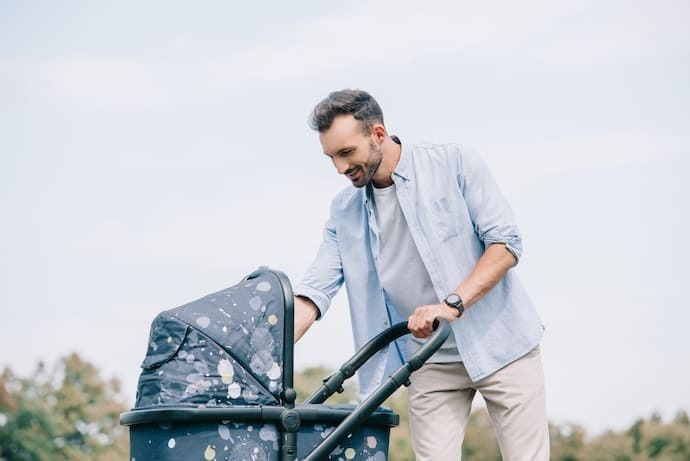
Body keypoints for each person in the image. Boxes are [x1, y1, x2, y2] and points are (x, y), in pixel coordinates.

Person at [293, 89, 549, 460]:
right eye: (331, 157)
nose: (339, 168)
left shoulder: (453, 161)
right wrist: (276, 350)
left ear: (378, 134)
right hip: (430, 359)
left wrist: (451, 305)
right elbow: (314, 291)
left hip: (503, 344)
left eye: (346, 153)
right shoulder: (344, 209)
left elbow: (505, 244)